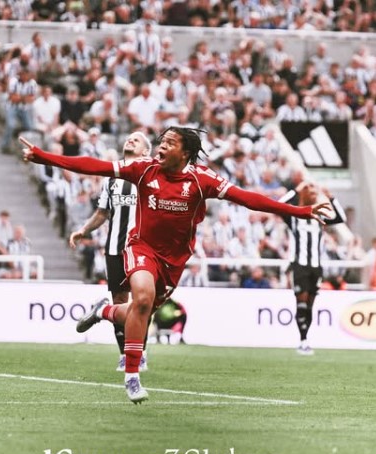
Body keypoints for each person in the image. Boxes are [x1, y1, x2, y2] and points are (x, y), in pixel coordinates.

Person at [20, 127, 331, 404]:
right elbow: (93, 166)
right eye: (162, 141)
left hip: (174, 260)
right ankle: (132, 377)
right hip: (141, 247)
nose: (162, 146)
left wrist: (300, 211)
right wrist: (43, 156)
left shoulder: (202, 179)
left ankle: (104, 311)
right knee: (142, 299)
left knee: (139, 311)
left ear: (185, 152)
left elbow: (247, 198)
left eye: (170, 143)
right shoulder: (143, 169)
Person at [68, 131, 152, 372]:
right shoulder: (112, 179)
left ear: (146, 151)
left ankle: (140, 352)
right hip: (116, 248)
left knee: (144, 302)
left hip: (143, 250)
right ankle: (125, 354)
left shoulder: (151, 174)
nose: (130, 140)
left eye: (137, 139)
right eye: (129, 138)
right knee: (120, 302)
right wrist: (83, 230)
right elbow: (102, 213)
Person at [280, 181, 346, 355]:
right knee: (301, 302)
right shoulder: (294, 215)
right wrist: (295, 190)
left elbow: (341, 218)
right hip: (300, 266)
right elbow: (279, 205)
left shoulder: (320, 217)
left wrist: (331, 197)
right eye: (309, 191)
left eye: (315, 192)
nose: (313, 194)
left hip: (316, 267)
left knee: (310, 305)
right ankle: (303, 341)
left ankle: (305, 339)